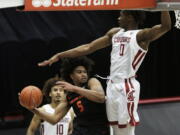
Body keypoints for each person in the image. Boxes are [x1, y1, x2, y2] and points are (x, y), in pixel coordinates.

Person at [37, 11, 171, 135]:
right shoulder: (115, 33)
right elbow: (88, 47)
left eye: (122, 15)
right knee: (113, 128)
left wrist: (165, 7)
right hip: (111, 86)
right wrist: (60, 55)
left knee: (126, 130)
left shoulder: (141, 35)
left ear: (130, 17)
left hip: (126, 86)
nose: (118, 18)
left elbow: (165, 27)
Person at [21, 56, 110, 135]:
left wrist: (75, 88)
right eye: (79, 72)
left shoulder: (92, 82)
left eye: (85, 72)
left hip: (98, 128)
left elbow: (100, 97)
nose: (83, 74)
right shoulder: (69, 96)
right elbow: (54, 119)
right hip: (81, 129)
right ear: (71, 75)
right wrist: (32, 109)